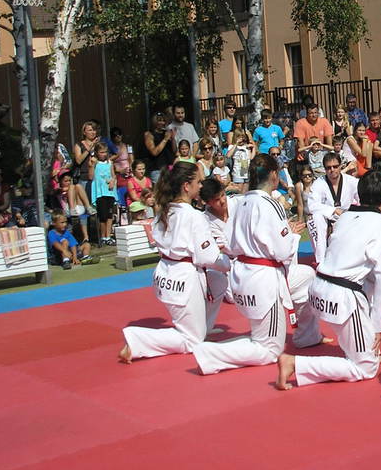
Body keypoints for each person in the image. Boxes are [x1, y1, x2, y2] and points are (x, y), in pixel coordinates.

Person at [192, 154, 324, 375]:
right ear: (273, 175)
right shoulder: (268, 204)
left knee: (306, 276)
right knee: (269, 350)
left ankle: (307, 336)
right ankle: (210, 353)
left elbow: (230, 245)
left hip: (243, 276)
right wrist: (292, 236)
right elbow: (282, 251)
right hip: (264, 279)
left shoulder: (241, 203)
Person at [276, 170, 381, 390]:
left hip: (318, 290)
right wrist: (378, 327)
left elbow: (352, 259)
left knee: (365, 284)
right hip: (342, 299)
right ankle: (295, 364)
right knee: (366, 367)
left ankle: (318, 338)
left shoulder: (345, 216)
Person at [118, 162, 231, 363]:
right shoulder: (194, 216)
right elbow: (207, 257)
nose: (201, 186)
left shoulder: (165, 210)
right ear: (186, 186)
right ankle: (137, 340)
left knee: (219, 281)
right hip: (184, 279)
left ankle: (203, 327)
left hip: (165, 274)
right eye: (198, 182)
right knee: (192, 341)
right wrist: (230, 262)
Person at [304, 152, 359, 265]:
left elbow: (362, 200)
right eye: (328, 168)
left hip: (348, 218)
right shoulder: (319, 183)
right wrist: (333, 210)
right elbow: (312, 206)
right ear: (324, 169)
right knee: (314, 218)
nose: (332, 170)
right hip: (327, 219)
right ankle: (321, 260)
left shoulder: (352, 181)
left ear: (341, 166)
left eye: (335, 166)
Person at [199, 177, 235, 309]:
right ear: (208, 202)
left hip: (252, 254)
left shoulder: (238, 203)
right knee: (233, 297)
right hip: (231, 260)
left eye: (223, 195)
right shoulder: (205, 219)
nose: (222, 201)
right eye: (216, 200)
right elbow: (225, 246)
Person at [89, 142, 118, 246]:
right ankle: (103, 236)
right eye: (101, 152)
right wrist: (92, 165)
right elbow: (91, 177)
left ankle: (108, 236)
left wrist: (112, 181)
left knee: (110, 215)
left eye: (105, 152)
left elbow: (113, 176)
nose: (104, 154)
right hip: (100, 193)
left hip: (109, 192)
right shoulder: (95, 162)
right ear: (97, 153)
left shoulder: (109, 163)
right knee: (102, 216)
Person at [294, 103, 333, 170]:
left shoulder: (324, 121)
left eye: (315, 113)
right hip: (307, 152)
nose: (314, 115)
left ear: (318, 113)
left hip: (321, 152)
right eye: (311, 113)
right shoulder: (300, 123)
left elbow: (330, 144)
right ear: (307, 114)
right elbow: (301, 144)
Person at [72, 120, 101, 186]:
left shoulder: (99, 144)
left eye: (94, 130)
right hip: (84, 178)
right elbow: (79, 161)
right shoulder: (79, 145)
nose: (93, 132)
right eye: (90, 130)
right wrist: (90, 148)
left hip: (99, 176)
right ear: (84, 132)